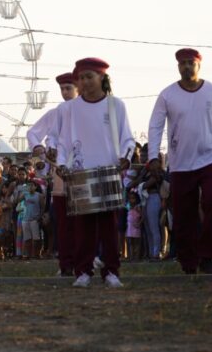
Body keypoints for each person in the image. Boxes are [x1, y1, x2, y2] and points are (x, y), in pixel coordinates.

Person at [147, 48, 212, 274]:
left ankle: (207, 255)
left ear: (199, 65)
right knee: (183, 214)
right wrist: (153, 156)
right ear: (178, 66)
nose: (187, 67)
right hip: (180, 163)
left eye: (191, 63)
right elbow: (155, 125)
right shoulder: (167, 94)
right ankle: (188, 261)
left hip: (210, 159)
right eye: (183, 63)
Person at [56, 57, 134, 288]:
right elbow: (64, 141)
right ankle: (83, 271)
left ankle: (111, 271)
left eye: (89, 76)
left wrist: (126, 158)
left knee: (109, 226)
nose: (85, 82)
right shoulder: (71, 108)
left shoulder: (115, 105)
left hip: (108, 171)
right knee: (83, 226)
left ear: (102, 78)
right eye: (81, 78)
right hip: (81, 171)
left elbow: (127, 138)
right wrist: (61, 163)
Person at [27, 71, 79, 276]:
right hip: (60, 172)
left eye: (69, 88)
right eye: (62, 89)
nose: (65, 92)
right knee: (63, 218)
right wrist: (38, 147)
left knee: (83, 218)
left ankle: (87, 259)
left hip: (83, 169)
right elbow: (32, 132)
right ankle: (66, 262)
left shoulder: (86, 110)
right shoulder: (56, 112)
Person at [126, 191, 142, 261]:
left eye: (133, 198)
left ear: (136, 199)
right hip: (129, 228)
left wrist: (139, 223)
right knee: (130, 242)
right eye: (130, 198)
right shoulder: (128, 207)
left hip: (136, 227)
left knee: (136, 243)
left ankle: (137, 257)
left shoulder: (137, 207)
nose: (131, 200)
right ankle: (131, 257)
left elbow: (143, 216)